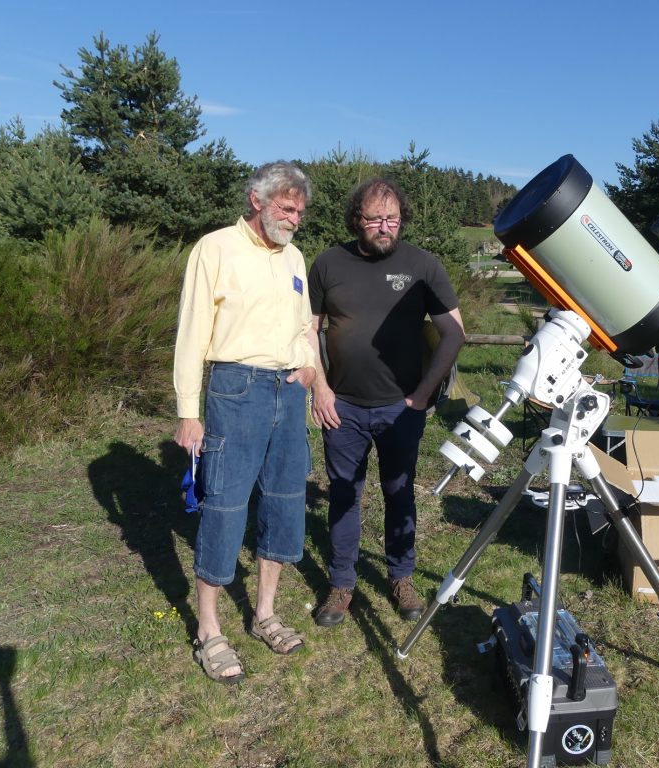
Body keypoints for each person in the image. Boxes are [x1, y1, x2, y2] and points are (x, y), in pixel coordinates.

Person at [173, 161, 317, 683]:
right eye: (286, 207)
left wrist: (308, 365)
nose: (294, 218)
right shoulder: (215, 249)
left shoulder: (295, 256)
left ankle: (265, 613)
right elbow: (192, 332)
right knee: (226, 504)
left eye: (300, 210)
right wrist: (189, 412)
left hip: (288, 391)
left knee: (283, 501)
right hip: (236, 388)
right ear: (256, 200)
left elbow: (305, 324)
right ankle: (209, 629)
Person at [308, 178, 466, 627]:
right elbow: (308, 328)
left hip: (402, 407)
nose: (384, 227)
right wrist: (320, 388)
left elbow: (454, 332)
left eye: (391, 219)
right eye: (375, 218)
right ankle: (341, 585)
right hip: (342, 407)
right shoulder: (328, 264)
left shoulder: (422, 264)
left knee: (399, 492)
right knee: (344, 494)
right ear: (356, 219)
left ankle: (401, 576)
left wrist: (423, 393)